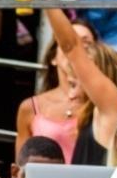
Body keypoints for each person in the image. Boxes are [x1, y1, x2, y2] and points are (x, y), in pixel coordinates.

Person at [8, 0, 117, 164]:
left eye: (80, 76)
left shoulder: (111, 106)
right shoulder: (97, 113)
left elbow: (72, 46)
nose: (72, 87)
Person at [14, 21, 98, 161]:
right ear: (53, 57)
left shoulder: (102, 105)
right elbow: (21, 168)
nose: (76, 50)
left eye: (86, 43)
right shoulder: (30, 107)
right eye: (68, 42)